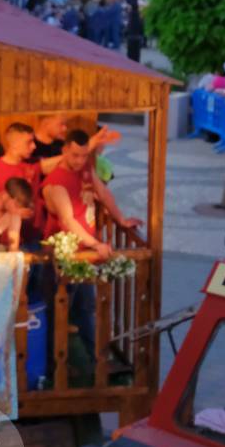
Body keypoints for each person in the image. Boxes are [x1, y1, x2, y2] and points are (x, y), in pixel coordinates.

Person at [42, 130, 142, 357]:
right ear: (64, 150)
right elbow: (67, 221)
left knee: (86, 308)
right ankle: (54, 365)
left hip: (83, 252)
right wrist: (96, 244)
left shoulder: (86, 168)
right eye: (75, 155)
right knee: (58, 312)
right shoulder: (56, 183)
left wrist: (121, 219)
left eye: (84, 155)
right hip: (63, 256)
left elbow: (104, 194)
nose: (79, 161)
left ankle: (96, 358)